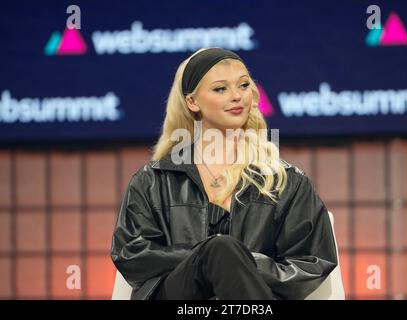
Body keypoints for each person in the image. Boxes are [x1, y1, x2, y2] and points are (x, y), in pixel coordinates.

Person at [110, 47, 338, 300]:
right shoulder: (153, 180)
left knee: (223, 252)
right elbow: (132, 253)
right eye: (221, 89)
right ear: (192, 102)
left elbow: (312, 262)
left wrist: (237, 264)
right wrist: (207, 256)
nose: (237, 97)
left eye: (243, 86)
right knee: (220, 249)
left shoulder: (287, 181)